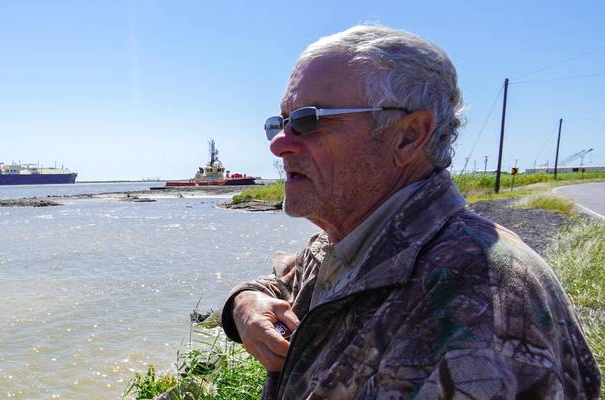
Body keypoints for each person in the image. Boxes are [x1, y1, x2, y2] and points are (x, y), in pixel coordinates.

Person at [219, 25, 600, 398]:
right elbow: (285, 280)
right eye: (280, 123)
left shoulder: (479, 300)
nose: (279, 145)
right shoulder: (347, 243)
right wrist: (245, 305)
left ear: (409, 135)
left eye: (309, 120)